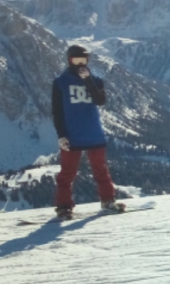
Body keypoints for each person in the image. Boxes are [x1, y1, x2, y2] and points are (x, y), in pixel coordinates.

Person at [52, 45, 123, 219]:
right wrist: (61, 135)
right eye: (76, 60)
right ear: (69, 61)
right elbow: (57, 111)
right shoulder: (60, 82)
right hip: (72, 134)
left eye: (83, 60)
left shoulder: (96, 80)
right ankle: (63, 206)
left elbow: (100, 100)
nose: (80, 64)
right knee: (67, 173)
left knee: (101, 170)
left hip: (93, 133)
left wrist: (88, 80)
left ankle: (108, 200)